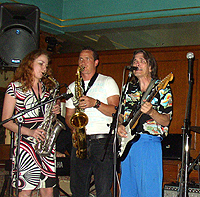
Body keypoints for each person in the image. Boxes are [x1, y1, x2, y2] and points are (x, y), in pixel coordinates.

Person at [2, 49, 61, 197]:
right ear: (29, 64)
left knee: (48, 189)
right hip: (26, 145)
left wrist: (55, 112)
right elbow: (6, 121)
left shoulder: (48, 90)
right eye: (40, 64)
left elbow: (48, 119)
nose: (44, 69)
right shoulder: (15, 88)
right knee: (26, 190)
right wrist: (30, 132)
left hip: (45, 144)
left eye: (46, 66)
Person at [65, 46, 120, 197]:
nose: (83, 62)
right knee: (78, 190)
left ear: (96, 62)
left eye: (87, 59)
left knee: (102, 190)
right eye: (80, 59)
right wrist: (74, 127)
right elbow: (68, 117)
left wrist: (95, 103)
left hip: (102, 141)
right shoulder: (72, 87)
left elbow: (116, 112)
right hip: (80, 142)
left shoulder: (107, 81)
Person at [117, 49, 173, 197]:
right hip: (127, 145)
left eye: (142, 61)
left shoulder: (162, 88)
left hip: (149, 143)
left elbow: (166, 121)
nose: (137, 63)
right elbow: (121, 115)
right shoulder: (128, 88)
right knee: (128, 191)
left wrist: (152, 112)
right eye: (135, 61)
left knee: (149, 191)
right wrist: (120, 125)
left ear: (150, 67)